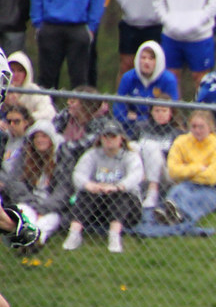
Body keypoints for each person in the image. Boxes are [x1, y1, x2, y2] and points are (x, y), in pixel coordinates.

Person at [29, 0, 106, 90]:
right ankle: (47, 112)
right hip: (50, 27)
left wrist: (90, 28)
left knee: (80, 82)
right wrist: (38, 24)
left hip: (79, 28)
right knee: (46, 81)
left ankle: (78, 113)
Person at [62, 119, 143, 254]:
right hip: (98, 206)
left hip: (128, 210)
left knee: (120, 196)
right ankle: (74, 233)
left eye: (113, 136)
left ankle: (114, 236)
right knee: (84, 194)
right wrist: (90, 185)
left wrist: (117, 187)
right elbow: (78, 174)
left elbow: (136, 176)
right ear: (100, 138)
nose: (109, 140)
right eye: (106, 136)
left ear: (121, 138)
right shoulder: (92, 154)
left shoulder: (130, 156)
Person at [155, 109, 216, 226]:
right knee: (178, 192)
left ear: (210, 127)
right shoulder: (181, 141)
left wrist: (185, 171)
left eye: (201, 127)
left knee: (199, 198)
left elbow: (212, 177)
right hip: (184, 184)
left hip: (209, 188)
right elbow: (173, 171)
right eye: (194, 126)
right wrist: (198, 168)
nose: (197, 130)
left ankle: (179, 215)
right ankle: (171, 214)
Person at [3, 119, 70, 248]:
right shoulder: (26, 156)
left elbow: (64, 190)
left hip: (51, 207)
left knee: (49, 220)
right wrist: (33, 204)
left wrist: (44, 208)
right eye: (36, 137)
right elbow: (14, 182)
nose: (40, 140)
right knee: (25, 213)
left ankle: (30, 240)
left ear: (51, 139)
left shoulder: (62, 158)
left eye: (44, 136)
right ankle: (33, 240)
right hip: (29, 202)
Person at [113, 41, 180, 139]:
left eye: (151, 58)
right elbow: (118, 109)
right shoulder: (128, 78)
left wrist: (139, 118)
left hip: (160, 129)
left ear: (159, 61)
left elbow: (171, 112)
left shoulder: (169, 80)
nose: (146, 62)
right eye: (143, 58)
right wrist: (131, 119)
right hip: (128, 128)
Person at [135, 94, 186, 207]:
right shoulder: (140, 128)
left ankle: (152, 192)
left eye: (164, 110)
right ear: (151, 112)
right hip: (141, 170)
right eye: (157, 110)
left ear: (171, 113)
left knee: (151, 146)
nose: (160, 114)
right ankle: (136, 193)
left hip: (165, 171)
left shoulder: (177, 133)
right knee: (133, 145)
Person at [3, 52, 56, 124]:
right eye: (12, 70)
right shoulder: (2, 89)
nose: (15, 75)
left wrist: (28, 118)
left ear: (27, 73)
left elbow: (50, 113)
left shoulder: (35, 92)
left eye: (20, 71)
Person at [0, 102, 30, 170]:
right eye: (9, 121)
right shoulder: (5, 137)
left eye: (16, 121)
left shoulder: (29, 142)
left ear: (25, 122)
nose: (12, 125)